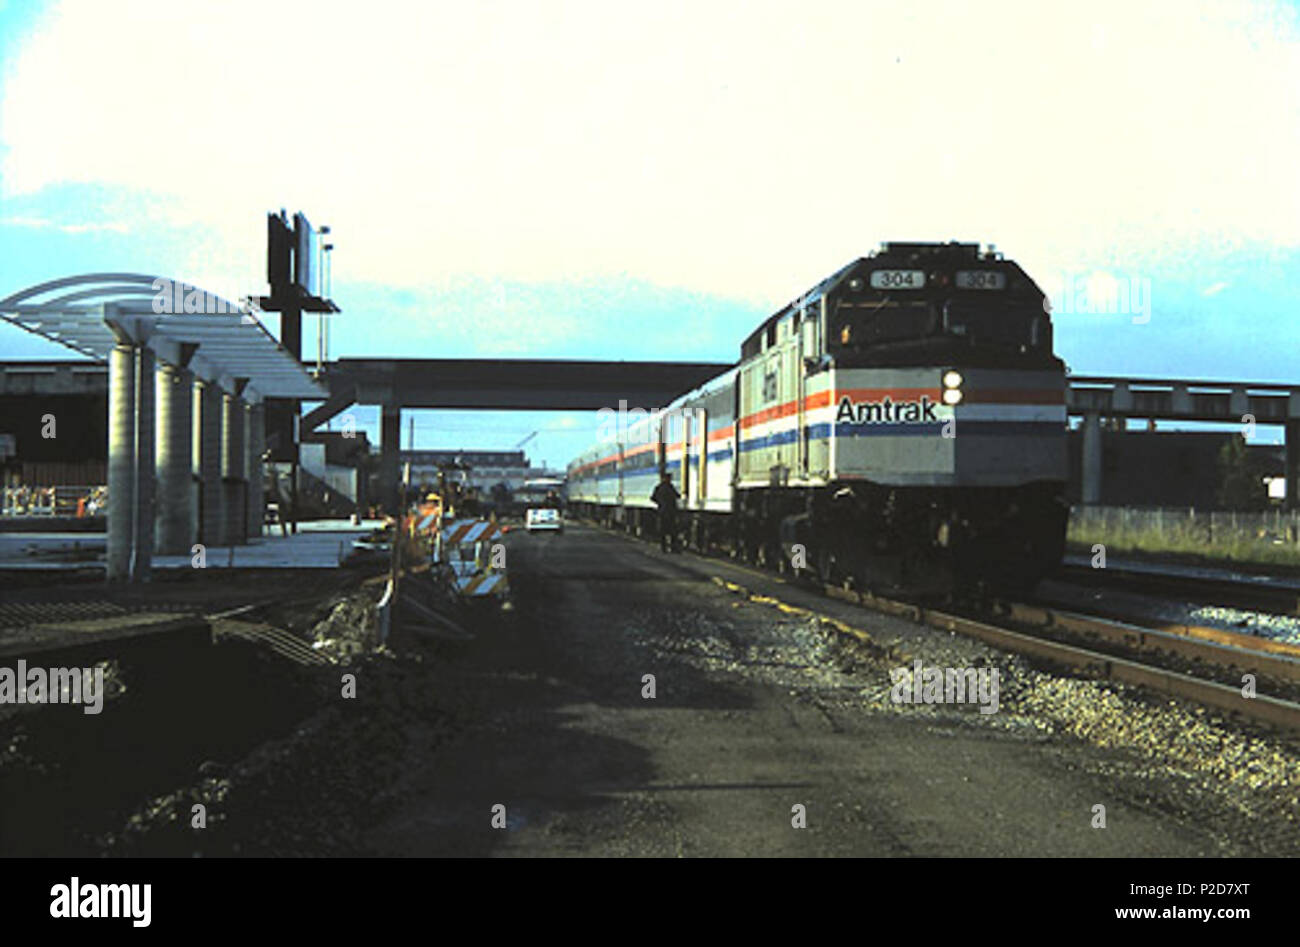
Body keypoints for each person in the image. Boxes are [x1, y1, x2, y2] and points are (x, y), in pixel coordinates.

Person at [650, 472, 681, 553]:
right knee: (673, 531)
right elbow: (677, 496)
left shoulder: (659, 487)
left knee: (663, 531)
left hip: (662, 512)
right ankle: (673, 548)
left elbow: (652, 498)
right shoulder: (670, 487)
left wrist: (659, 503)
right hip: (671, 512)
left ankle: (664, 548)